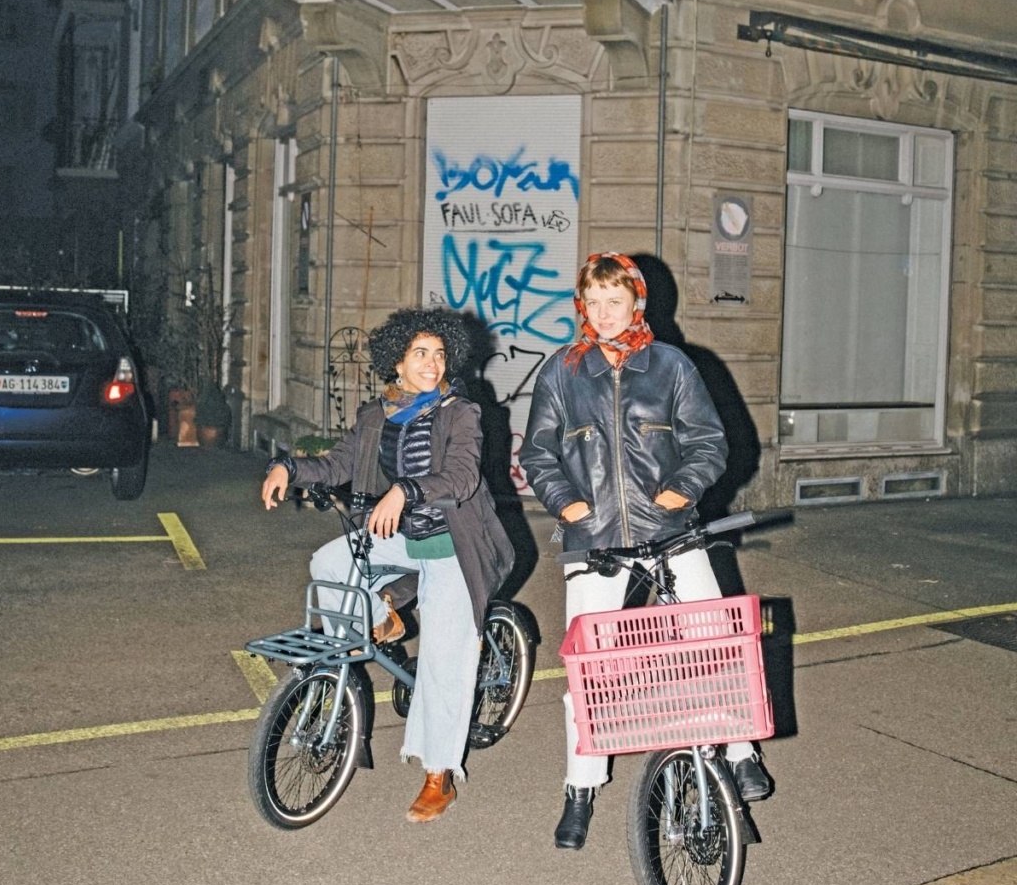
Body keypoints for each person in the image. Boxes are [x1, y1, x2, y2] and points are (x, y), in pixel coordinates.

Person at [519, 253, 772, 850]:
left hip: (671, 528)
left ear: (637, 303)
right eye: (594, 302)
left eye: (616, 301)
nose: (605, 314)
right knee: (590, 671)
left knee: (714, 640)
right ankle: (581, 786)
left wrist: (682, 488)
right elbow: (537, 454)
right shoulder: (563, 370)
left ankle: (739, 750)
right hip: (595, 540)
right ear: (582, 305)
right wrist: (569, 505)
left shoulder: (672, 365)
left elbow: (710, 442)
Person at [261, 308, 514, 823]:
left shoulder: (460, 412)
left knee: (444, 664)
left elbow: (462, 476)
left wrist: (406, 489)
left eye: (439, 354)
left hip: (453, 543)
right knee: (327, 562)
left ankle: (440, 773)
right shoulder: (377, 415)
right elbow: (339, 464)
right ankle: (378, 620)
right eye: (420, 353)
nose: (432, 363)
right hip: (400, 536)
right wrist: (289, 467)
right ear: (396, 363)